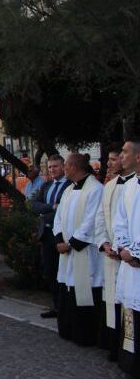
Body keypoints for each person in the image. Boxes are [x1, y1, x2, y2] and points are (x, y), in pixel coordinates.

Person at [53, 153, 104, 346]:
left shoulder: (95, 189)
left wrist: (72, 243)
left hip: (84, 252)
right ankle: (68, 329)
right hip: (67, 252)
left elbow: (92, 221)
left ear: (74, 167)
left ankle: (86, 335)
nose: (64, 168)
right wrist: (59, 239)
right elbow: (58, 218)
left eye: (65, 165)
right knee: (68, 288)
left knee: (85, 290)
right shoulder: (68, 190)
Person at [96, 142, 137, 362]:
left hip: (132, 257)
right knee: (114, 302)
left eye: (115, 158)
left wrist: (127, 249)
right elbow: (101, 218)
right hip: (113, 254)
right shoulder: (110, 186)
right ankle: (116, 348)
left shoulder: (135, 185)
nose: (111, 163)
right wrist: (105, 243)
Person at [29, 154, 70, 318]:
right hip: (45, 234)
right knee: (50, 271)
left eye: (56, 166)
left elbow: (62, 211)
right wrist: (51, 207)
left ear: (63, 166)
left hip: (62, 235)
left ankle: (65, 308)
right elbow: (33, 204)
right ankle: (56, 306)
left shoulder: (69, 186)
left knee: (64, 273)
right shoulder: (46, 185)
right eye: (50, 167)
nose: (52, 170)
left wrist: (46, 211)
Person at [113, 140, 140, 375]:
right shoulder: (130, 186)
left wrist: (136, 252)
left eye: (124, 151)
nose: (121, 155)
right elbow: (120, 220)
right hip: (130, 263)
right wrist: (123, 246)